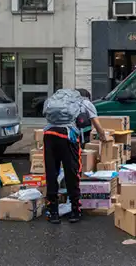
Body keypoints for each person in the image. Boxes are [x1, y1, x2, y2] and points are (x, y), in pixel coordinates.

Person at [43, 88, 106, 224]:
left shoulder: (55, 101)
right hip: (67, 136)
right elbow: (96, 123)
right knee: (72, 172)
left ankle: (53, 211)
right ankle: (75, 210)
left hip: (49, 135)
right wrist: (103, 137)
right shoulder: (85, 103)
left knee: (51, 173)